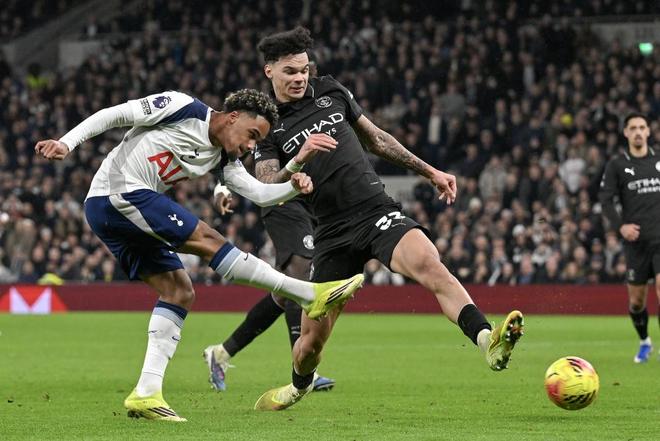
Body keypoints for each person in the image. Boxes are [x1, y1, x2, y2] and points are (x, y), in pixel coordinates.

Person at [228, 26, 524, 411]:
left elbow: (377, 139)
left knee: (430, 265)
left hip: (375, 211)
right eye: (290, 72)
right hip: (331, 235)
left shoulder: (330, 90)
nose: (300, 78)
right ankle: (298, 386)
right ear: (269, 71)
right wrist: (297, 162)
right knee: (309, 347)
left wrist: (430, 171)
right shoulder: (267, 124)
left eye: (304, 69)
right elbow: (267, 183)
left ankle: (487, 340)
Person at [34, 88, 364, 421]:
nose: (251, 147)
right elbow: (116, 113)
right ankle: (307, 293)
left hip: (120, 209)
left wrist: (293, 183)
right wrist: (67, 142)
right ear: (233, 117)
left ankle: (146, 393)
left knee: (179, 291)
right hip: (117, 193)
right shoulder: (182, 107)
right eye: (252, 135)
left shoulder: (224, 159)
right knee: (208, 239)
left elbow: (261, 194)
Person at [203, 188, 335, 392]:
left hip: (306, 203)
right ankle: (305, 371)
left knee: (283, 295)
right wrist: (223, 189)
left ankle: (221, 353)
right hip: (284, 200)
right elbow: (238, 167)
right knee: (299, 280)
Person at [599, 112, 660, 363]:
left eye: (642, 127)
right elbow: (605, 200)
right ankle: (645, 341)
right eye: (633, 128)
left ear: (648, 131)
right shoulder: (617, 165)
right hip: (636, 244)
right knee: (636, 302)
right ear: (625, 133)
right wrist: (621, 227)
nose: (638, 132)